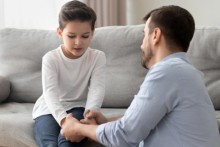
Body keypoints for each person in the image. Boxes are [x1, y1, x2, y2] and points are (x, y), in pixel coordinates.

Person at [60, 5, 220, 147]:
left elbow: (124, 136)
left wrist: (78, 128)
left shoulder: (167, 72)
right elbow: (150, 118)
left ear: (155, 35)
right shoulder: (186, 72)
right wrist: (107, 121)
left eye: (144, 34)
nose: (141, 44)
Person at [32, 1, 106, 147]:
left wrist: (90, 114)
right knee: (50, 144)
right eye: (71, 36)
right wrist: (64, 119)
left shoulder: (98, 57)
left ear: (92, 33)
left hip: (78, 107)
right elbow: (50, 92)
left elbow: (97, 88)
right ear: (60, 33)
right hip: (48, 109)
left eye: (85, 36)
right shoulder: (50, 58)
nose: (78, 42)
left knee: (68, 143)